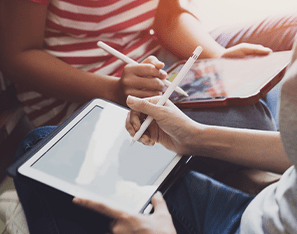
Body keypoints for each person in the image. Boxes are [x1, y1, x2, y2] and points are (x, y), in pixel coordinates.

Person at [1, 0, 296, 129]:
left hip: (157, 58)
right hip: (87, 94)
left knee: (291, 29)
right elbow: (17, 57)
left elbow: (168, 17)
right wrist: (115, 90)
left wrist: (216, 57)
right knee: (250, 122)